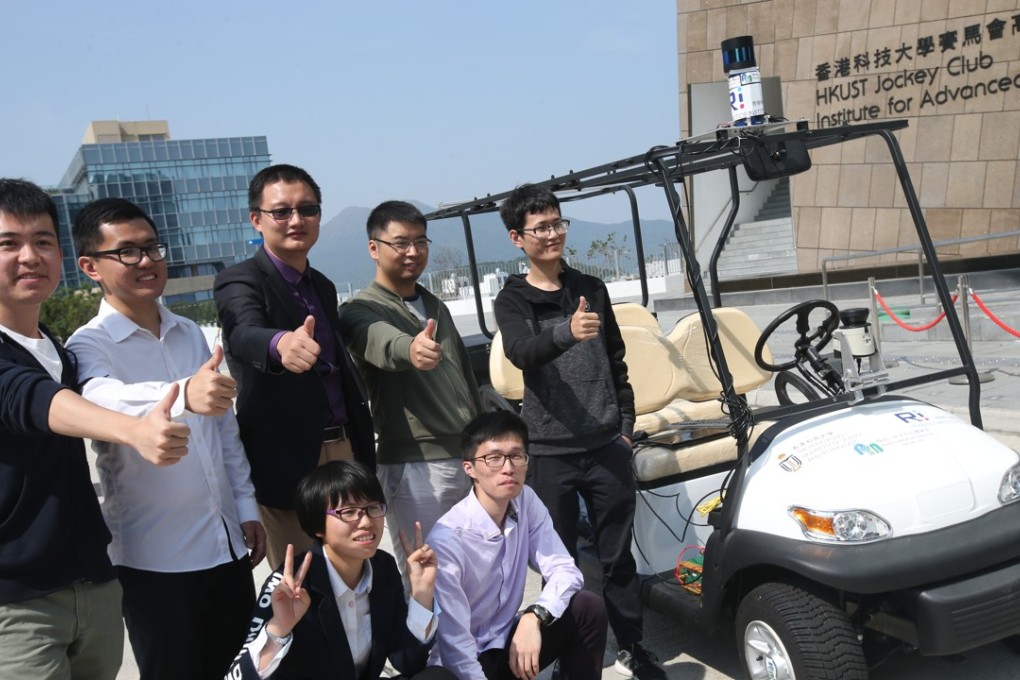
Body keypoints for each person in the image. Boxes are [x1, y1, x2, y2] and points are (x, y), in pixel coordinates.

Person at [65, 198, 265, 680]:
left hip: (226, 545)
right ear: (90, 266)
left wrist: (246, 506)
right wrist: (183, 395)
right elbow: (99, 399)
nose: (147, 261)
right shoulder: (87, 344)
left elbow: (224, 432)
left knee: (240, 670)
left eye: (152, 247)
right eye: (127, 252)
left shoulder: (190, 333)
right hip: (155, 560)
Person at [0, 179, 190, 680]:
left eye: (42, 241)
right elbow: (30, 398)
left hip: (93, 581)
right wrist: (135, 430)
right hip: (16, 602)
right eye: (8, 243)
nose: (29, 256)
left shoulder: (57, 351)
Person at [493, 184, 664, 679]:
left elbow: (616, 362)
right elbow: (522, 353)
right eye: (540, 228)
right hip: (549, 452)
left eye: (557, 224)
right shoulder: (513, 299)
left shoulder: (591, 287)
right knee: (558, 562)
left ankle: (632, 645)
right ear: (517, 238)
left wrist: (625, 428)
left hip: (607, 444)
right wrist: (566, 332)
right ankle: (571, 650)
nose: (552, 234)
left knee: (618, 557)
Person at [214, 164, 374, 570]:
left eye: (308, 209)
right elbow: (242, 330)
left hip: (345, 448)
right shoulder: (239, 280)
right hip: (288, 462)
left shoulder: (323, 285)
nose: (296, 220)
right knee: (302, 580)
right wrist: (279, 343)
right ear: (257, 219)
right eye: (281, 211)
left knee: (354, 569)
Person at [338, 200, 482, 582]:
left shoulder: (434, 304)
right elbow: (383, 342)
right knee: (427, 576)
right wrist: (411, 349)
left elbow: (466, 378)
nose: (413, 252)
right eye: (401, 243)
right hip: (416, 464)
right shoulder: (358, 310)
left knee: (473, 570)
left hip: (466, 455)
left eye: (420, 242)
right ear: (374, 248)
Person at [228, 460, 457, 680]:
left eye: (372, 508)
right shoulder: (290, 583)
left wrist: (422, 593)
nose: (366, 522)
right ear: (318, 525)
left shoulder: (383, 568)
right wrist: (279, 629)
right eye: (348, 512)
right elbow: (236, 676)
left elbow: (407, 662)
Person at [427, 411, 608, 680]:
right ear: (469, 468)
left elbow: (565, 570)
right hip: (464, 664)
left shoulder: (526, 500)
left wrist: (534, 616)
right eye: (494, 458)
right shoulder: (448, 539)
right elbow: (455, 646)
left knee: (587, 608)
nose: (508, 468)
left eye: (516, 456)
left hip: (508, 644)